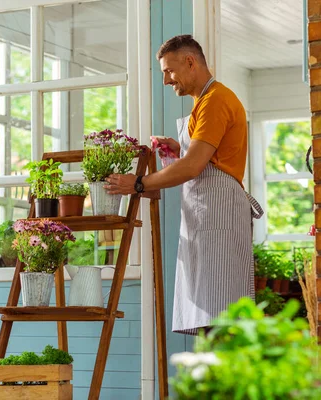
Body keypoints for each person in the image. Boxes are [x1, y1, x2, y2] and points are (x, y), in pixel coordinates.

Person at [104, 34, 263, 335]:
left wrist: (137, 183)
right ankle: (212, 380)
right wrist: (179, 150)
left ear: (190, 62)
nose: (166, 80)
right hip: (208, 215)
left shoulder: (215, 101)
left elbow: (192, 167)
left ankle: (220, 381)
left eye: (169, 71)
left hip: (218, 214)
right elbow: (201, 158)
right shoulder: (203, 103)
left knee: (221, 316)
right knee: (211, 313)